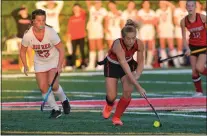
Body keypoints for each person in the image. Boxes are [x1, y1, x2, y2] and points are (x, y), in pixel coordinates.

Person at [20, 9, 71, 118]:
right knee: (43, 88)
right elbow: (22, 51)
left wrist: (59, 65)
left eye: (43, 20)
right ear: (33, 21)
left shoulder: (50, 32)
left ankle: (64, 100)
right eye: (38, 20)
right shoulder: (28, 35)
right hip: (40, 62)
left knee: (53, 85)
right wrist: (25, 65)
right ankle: (56, 109)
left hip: (54, 59)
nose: (41, 23)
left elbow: (61, 49)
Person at [98, 19, 146, 126]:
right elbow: (124, 66)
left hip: (128, 64)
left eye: (133, 38)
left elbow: (141, 61)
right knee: (112, 96)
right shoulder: (117, 45)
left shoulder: (139, 44)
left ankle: (116, 117)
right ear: (122, 37)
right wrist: (138, 87)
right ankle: (109, 104)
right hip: (113, 65)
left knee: (128, 91)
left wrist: (137, 75)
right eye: (128, 39)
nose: (131, 41)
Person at [180, 0, 207, 97]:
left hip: (203, 46)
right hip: (192, 47)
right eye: (188, 6)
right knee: (194, 70)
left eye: (192, 5)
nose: (190, 7)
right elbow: (183, 37)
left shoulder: (202, 17)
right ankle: (199, 91)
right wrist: (187, 48)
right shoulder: (183, 21)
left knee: (199, 67)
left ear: (195, 7)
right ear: (186, 7)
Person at [156, 1, 180, 68]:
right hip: (161, 29)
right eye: (160, 3)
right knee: (162, 47)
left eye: (163, 3)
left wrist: (165, 1)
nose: (161, 4)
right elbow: (157, 21)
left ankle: (176, 63)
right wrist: (157, 28)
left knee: (171, 46)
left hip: (169, 29)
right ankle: (164, 63)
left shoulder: (169, 9)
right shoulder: (158, 11)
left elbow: (173, 7)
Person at [85, 1, 108, 71]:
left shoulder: (103, 10)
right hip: (91, 29)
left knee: (99, 46)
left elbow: (107, 19)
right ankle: (91, 64)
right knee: (92, 47)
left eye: (99, 3)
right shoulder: (91, 8)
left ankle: (100, 64)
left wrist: (105, 28)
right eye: (96, 2)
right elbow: (87, 2)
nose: (98, 4)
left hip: (99, 29)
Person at [11, 5, 34, 72]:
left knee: (29, 51)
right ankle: (23, 67)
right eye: (22, 10)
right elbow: (13, 13)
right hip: (20, 37)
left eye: (24, 9)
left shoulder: (30, 17)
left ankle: (32, 66)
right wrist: (20, 8)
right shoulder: (17, 17)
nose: (23, 11)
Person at [67, 3, 87, 70]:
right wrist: (68, 37)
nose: (76, 9)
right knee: (74, 51)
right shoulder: (71, 18)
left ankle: (83, 64)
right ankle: (73, 64)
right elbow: (69, 29)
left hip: (81, 36)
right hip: (73, 37)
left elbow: (84, 11)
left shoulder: (83, 15)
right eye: (74, 8)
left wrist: (79, 8)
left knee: (82, 50)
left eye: (77, 8)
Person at [138, 0, 156, 69]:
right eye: (145, 3)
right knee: (143, 47)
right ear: (143, 4)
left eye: (147, 3)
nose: (146, 5)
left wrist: (146, 21)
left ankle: (148, 63)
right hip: (143, 30)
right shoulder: (140, 12)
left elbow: (155, 22)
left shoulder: (152, 12)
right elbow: (140, 20)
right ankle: (143, 63)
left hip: (151, 30)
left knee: (150, 46)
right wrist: (149, 21)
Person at [173, 1, 189, 65]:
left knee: (188, 46)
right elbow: (175, 21)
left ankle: (188, 61)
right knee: (180, 46)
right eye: (181, 2)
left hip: (188, 30)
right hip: (179, 30)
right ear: (179, 3)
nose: (183, 3)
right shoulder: (177, 10)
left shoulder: (189, 10)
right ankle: (179, 61)